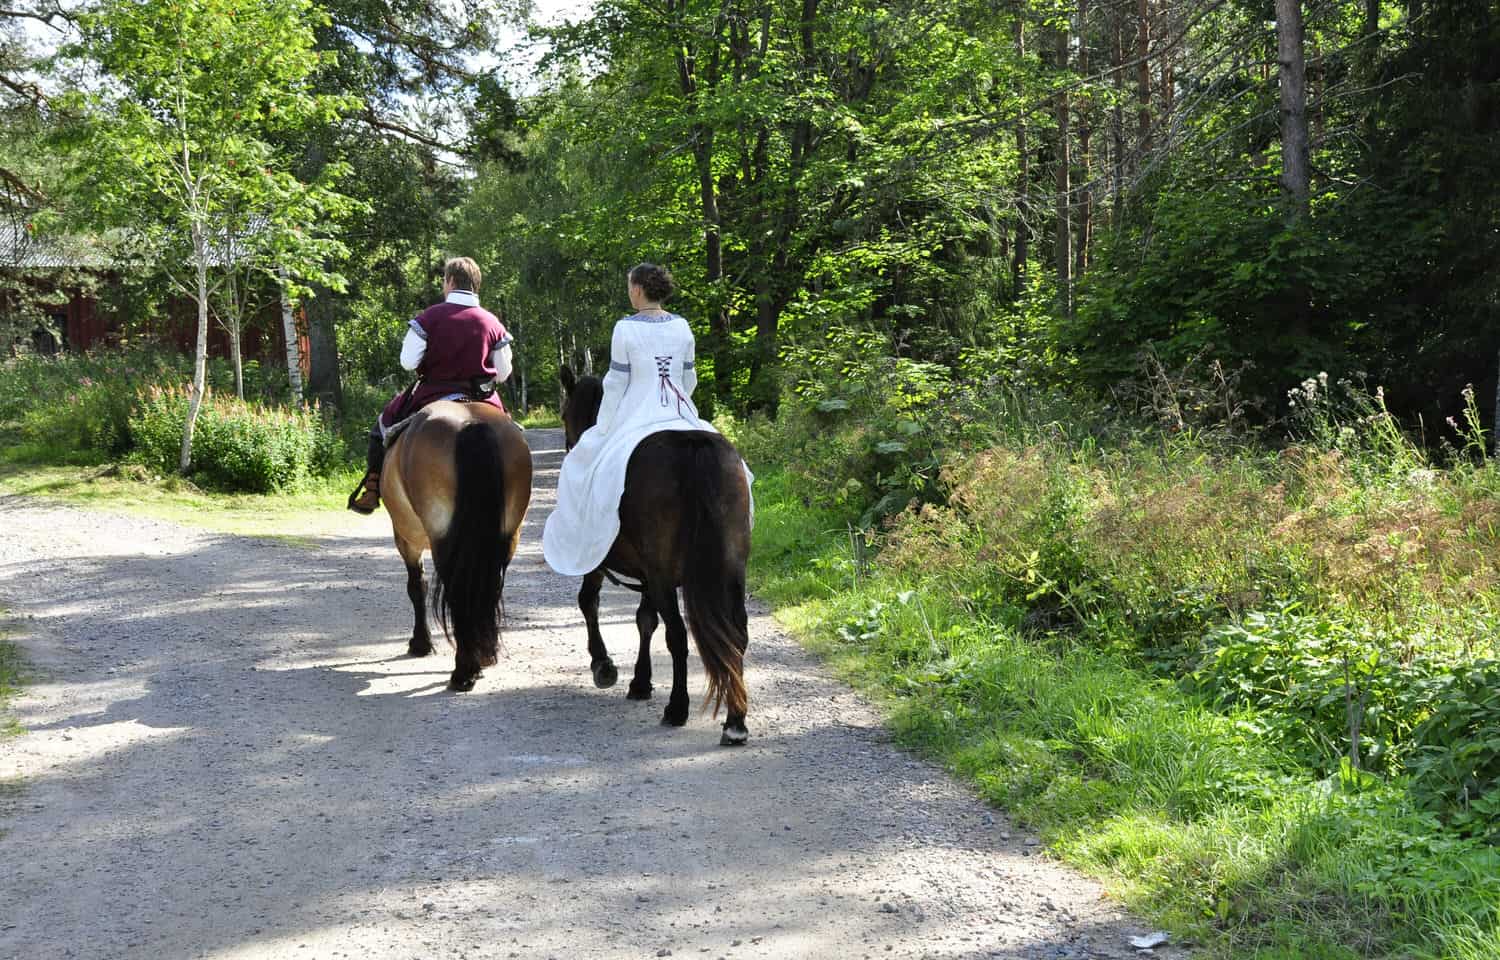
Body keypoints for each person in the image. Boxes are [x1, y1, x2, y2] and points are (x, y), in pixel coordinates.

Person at [543, 262, 752, 576]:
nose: (630, 291)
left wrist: (604, 426)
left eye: (630, 286)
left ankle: (590, 544)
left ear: (638, 289)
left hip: (635, 414)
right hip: (679, 411)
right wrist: (681, 404)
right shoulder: (682, 326)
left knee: (579, 466)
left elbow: (614, 384)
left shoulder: (625, 328)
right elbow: (689, 378)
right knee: (740, 471)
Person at [347, 256, 513, 514]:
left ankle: (372, 489)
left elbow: (407, 361)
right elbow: (503, 373)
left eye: (444, 281)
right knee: (512, 437)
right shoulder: (492, 323)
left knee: (382, 426)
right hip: (483, 398)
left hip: (433, 394)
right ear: (476, 284)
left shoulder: (429, 317)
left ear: (450, 281)